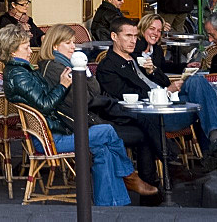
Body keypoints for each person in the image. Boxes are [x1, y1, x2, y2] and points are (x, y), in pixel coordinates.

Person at [0, 23, 156, 205]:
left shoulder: (21, 71)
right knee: (107, 132)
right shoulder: (20, 75)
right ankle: (129, 176)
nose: (30, 51)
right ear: (12, 52)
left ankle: (113, 204)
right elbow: (45, 105)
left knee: (103, 148)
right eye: (26, 47)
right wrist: (63, 85)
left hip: (53, 132)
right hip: (50, 139)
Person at [97, 16, 217, 171]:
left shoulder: (137, 57)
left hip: (169, 105)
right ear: (114, 37)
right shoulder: (107, 67)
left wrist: (153, 71)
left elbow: (163, 80)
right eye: (128, 36)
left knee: (199, 83)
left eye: (135, 36)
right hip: (154, 115)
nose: (134, 41)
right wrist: (166, 92)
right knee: (208, 95)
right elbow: (128, 96)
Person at [36, 24, 159, 187]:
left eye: (73, 42)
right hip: (80, 125)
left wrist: (85, 71)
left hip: (87, 119)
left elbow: (95, 90)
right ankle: (139, 179)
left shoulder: (68, 65)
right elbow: (85, 98)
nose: (73, 47)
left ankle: (145, 181)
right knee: (142, 134)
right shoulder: (56, 68)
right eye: (68, 43)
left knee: (142, 127)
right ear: (54, 45)